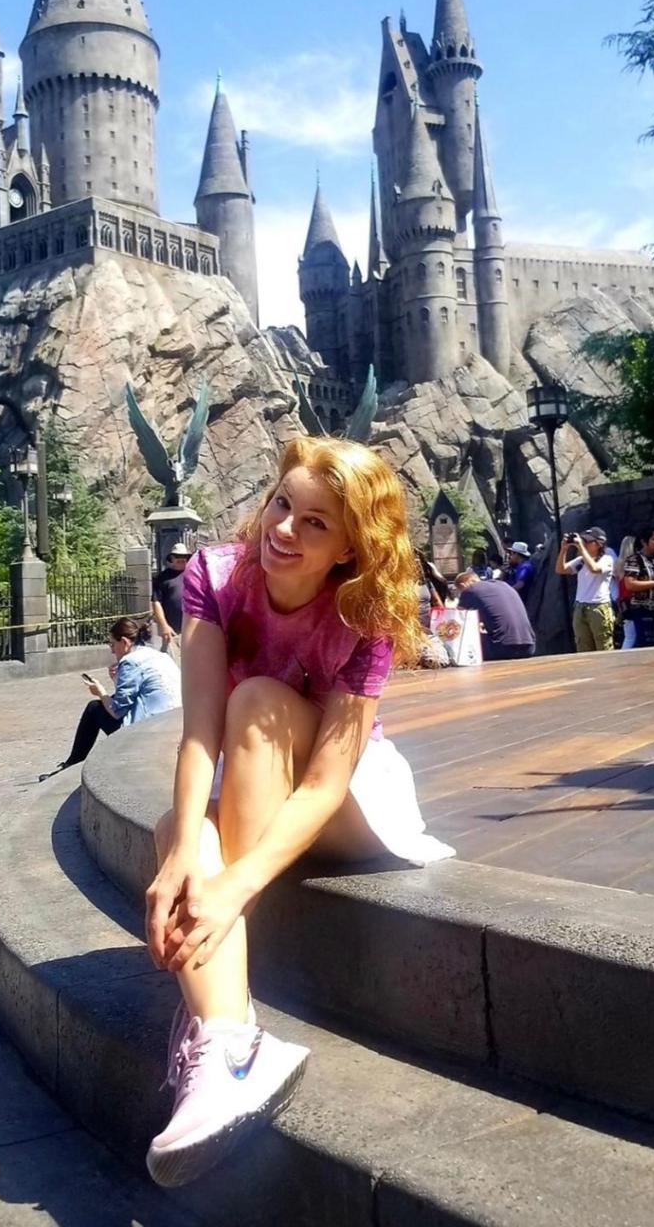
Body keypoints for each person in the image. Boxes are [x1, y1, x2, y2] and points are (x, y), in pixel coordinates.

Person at [143, 437, 454, 1188]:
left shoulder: (367, 612)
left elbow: (323, 783)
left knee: (257, 702)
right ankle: (229, 1040)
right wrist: (185, 853)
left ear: (350, 546)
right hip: (261, 783)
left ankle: (225, 1021)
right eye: (282, 504)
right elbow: (198, 733)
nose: (284, 529)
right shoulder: (216, 576)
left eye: (315, 523)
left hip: (350, 799)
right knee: (173, 830)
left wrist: (233, 886)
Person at [41, 617, 181, 780]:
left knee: (94, 708)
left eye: (112, 645)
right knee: (104, 703)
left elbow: (117, 711)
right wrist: (117, 681)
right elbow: (135, 697)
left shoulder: (130, 661)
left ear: (124, 642)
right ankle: (72, 764)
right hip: (172, 722)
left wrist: (100, 692)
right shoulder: (158, 655)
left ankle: (71, 765)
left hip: (147, 730)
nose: (112, 651)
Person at [555, 526, 615, 653]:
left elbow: (595, 569)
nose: (584, 543)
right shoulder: (581, 560)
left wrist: (581, 547)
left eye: (587, 541)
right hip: (580, 606)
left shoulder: (607, 559)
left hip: (598, 607)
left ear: (599, 544)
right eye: (583, 540)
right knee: (583, 647)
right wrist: (564, 549)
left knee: (603, 647)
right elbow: (561, 569)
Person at [457, 570, 536, 661]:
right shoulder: (504, 585)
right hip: (529, 646)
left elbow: (457, 618)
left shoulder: (469, 590)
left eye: (459, 591)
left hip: (501, 647)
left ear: (463, 585)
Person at [153, 543, 192, 662]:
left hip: (191, 631)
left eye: (184, 556)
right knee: (171, 663)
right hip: (171, 632)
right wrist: (164, 626)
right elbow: (156, 602)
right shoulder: (162, 578)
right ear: (171, 558)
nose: (181, 559)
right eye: (177, 556)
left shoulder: (193, 575)